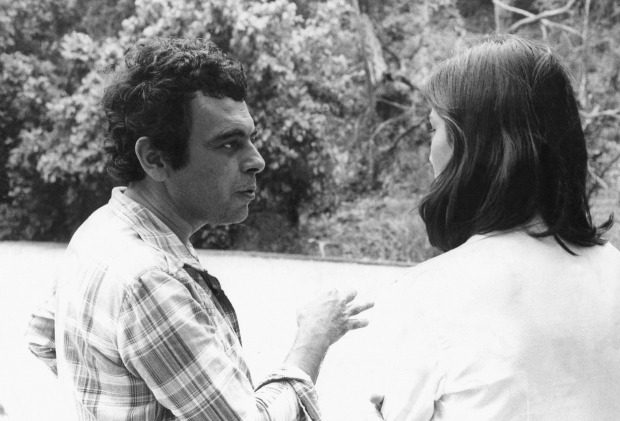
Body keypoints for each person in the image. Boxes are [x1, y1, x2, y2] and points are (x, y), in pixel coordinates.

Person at [25, 37, 373, 421]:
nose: (257, 161)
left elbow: (43, 337)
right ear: (155, 159)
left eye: (251, 138)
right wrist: (313, 339)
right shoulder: (150, 279)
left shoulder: (100, 229)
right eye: (228, 144)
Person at [366, 34, 620, 421]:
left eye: (433, 130)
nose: (429, 154)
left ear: (473, 147)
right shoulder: (613, 271)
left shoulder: (431, 293)